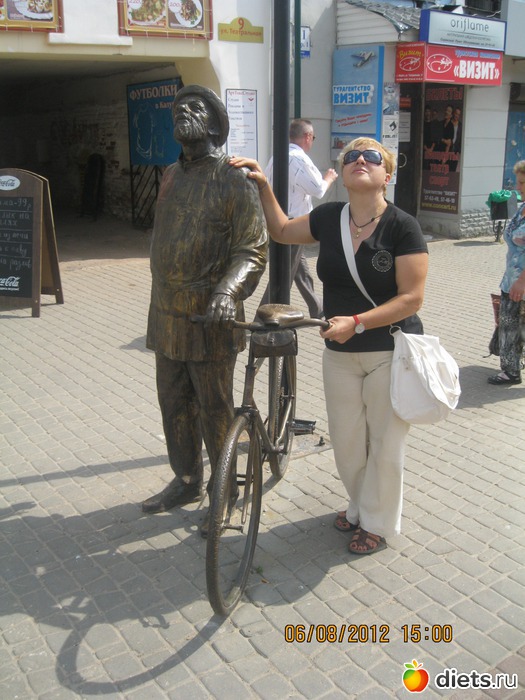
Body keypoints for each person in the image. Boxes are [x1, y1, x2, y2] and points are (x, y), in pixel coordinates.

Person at [230, 137, 428, 555]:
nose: (360, 160)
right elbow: (282, 231)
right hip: (339, 354)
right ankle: (361, 504)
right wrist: (263, 185)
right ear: (343, 172)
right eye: (351, 156)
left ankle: (376, 522)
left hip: (389, 351)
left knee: (385, 445)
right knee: (348, 442)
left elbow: (411, 298)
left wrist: (357, 322)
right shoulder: (328, 217)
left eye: (371, 157)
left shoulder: (403, 226)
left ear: (386, 176)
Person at [142, 85, 268, 536]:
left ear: (215, 125)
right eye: (178, 108)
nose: (183, 113)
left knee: (215, 407)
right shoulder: (170, 175)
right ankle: (187, 479)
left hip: (210, 316)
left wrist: (228, 291)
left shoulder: (233, 179)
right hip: (166, 312)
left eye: (195, 108)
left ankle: (225, 489)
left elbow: (252, 248)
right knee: (173, 403)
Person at [260, 118, 338, 318]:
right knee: (284, 275)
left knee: (300, 270)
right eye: (313, 138)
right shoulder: (298, 158)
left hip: (280, 221)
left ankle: (317, 308)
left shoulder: (278, 156)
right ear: (308, 136)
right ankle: (262, 318)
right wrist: (329, 177)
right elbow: (318, 189)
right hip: (293, 225)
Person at [488, 160, 525, 385]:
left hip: (521, 282)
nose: (518, 187)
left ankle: (511, 370)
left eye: (522, 183)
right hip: (511, 280)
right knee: (509, 326)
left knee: (515, 327)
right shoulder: (522, 209)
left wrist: (521, 281)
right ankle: (511, 370)